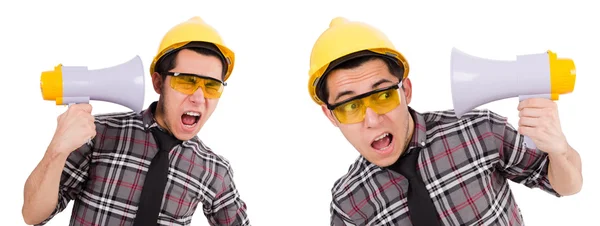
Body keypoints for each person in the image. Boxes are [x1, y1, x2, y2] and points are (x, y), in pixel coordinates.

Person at [307, 17, 583, 226]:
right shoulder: (349, 201)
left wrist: (559, 150)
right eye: (351, 105)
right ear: (331, 116)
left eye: (382, 95)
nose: (372, 119)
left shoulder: (479, 131)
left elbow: (567, 185)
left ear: (407, 91)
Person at [22, 16, 250, 226]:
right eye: (186, 82)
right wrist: (57, 151)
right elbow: (32, 215)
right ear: (159, 83)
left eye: (211, 86)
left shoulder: (214, 170)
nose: (199, 98)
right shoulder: (98, 134)